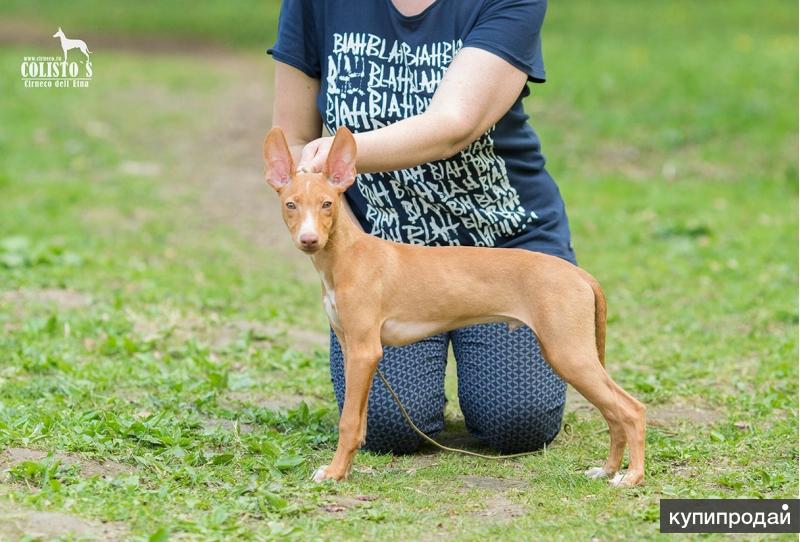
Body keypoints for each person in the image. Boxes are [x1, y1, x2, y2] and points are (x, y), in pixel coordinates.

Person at [268, 0, 576, 453]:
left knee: (516, 421)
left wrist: (342, 158)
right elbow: (293, 139)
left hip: (501, 254)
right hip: (387, 262)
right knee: (393, 428)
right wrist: (338, 228)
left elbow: (454, 126)